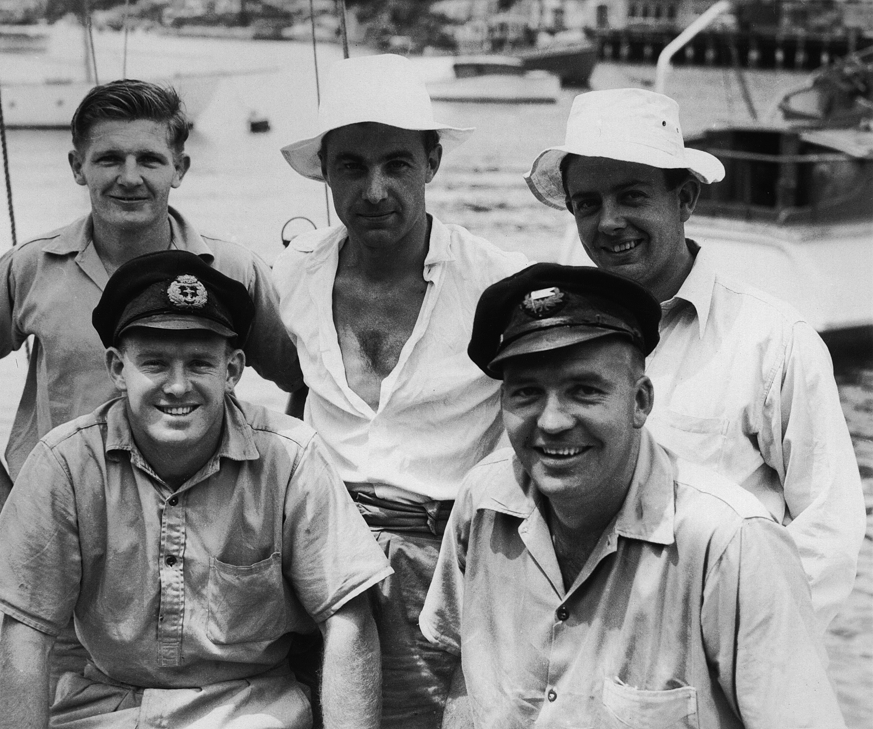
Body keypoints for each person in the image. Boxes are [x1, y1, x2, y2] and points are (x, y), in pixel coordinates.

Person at [0, 250, 391, 729]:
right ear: (116, 368)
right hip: (107, 704)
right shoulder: (64, 462)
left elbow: (347, 617)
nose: (177, 386)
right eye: (154, 363)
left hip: (248, 708)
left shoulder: (290, 459)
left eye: (199, 364)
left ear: (231, 371)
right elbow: (25, 632)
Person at [419, 263, 847, 728]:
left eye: (584, 391)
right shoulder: (482, 501)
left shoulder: (731, 545)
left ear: (641, 401)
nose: (552, 421)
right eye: (525, 394)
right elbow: (465, 676)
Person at [523, 88, 864, 630]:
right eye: (588, 203)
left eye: (631, 197)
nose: (609, 222)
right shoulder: (549, 342)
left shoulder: (773, 340)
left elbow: (828, 533)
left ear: (684, 200)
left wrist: (739, 645)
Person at [273, 54, 529, 727]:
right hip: (309, 554)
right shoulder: (291, 276)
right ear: (325, 171)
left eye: (397, 163)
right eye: (351, 166)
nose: (375, 188)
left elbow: (536, 433)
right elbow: (284, 391)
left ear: (432, 162)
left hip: (439, 560)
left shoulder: (499, 285)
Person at [0, 78, 302, 530]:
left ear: (179, 169)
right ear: (77, 166)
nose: (129, 178)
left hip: (199, 525)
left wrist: (279, 480)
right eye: (109, 159)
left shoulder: (232, 270)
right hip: (57, 521)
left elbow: (305, 378)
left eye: (149, 159)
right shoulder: (32, 266)